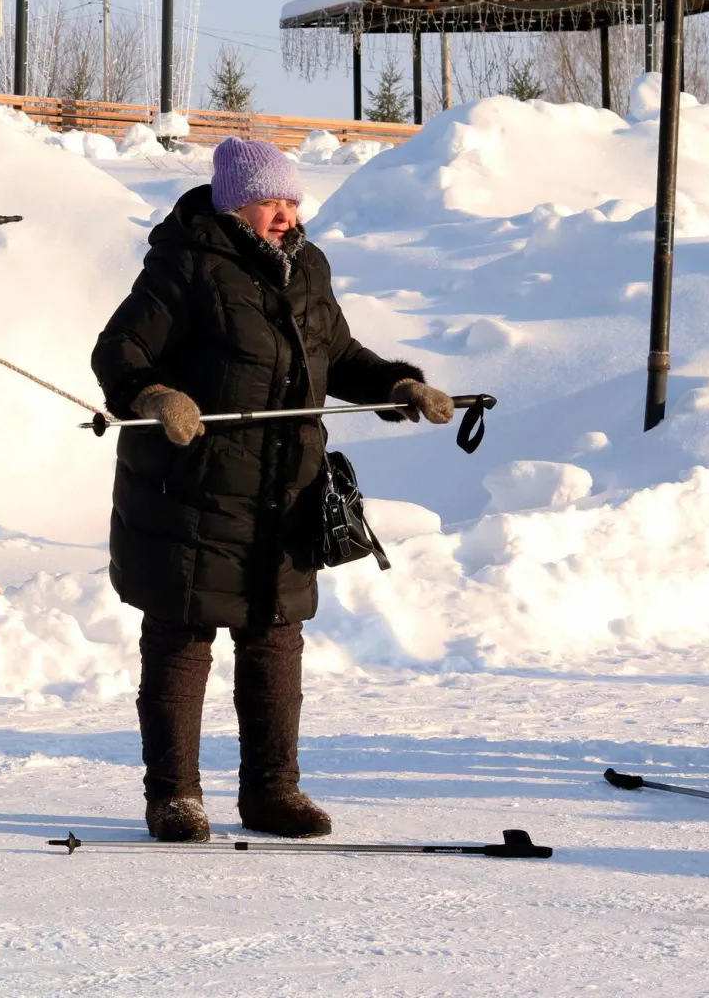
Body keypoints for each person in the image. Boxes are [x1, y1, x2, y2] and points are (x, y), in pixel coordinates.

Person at [90, 137, 454, 844]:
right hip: (190, 488)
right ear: (234, 206)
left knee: (274, 638)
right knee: (181, 638)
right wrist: (157, 395)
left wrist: (398, 385)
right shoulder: (185, 264)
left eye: (291, 201)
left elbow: (338, 356)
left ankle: (272, 791)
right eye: (270, 203)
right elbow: (119, 352)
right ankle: (175, 797)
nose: (285, 216)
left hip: (284, 490)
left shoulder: (308, 268)